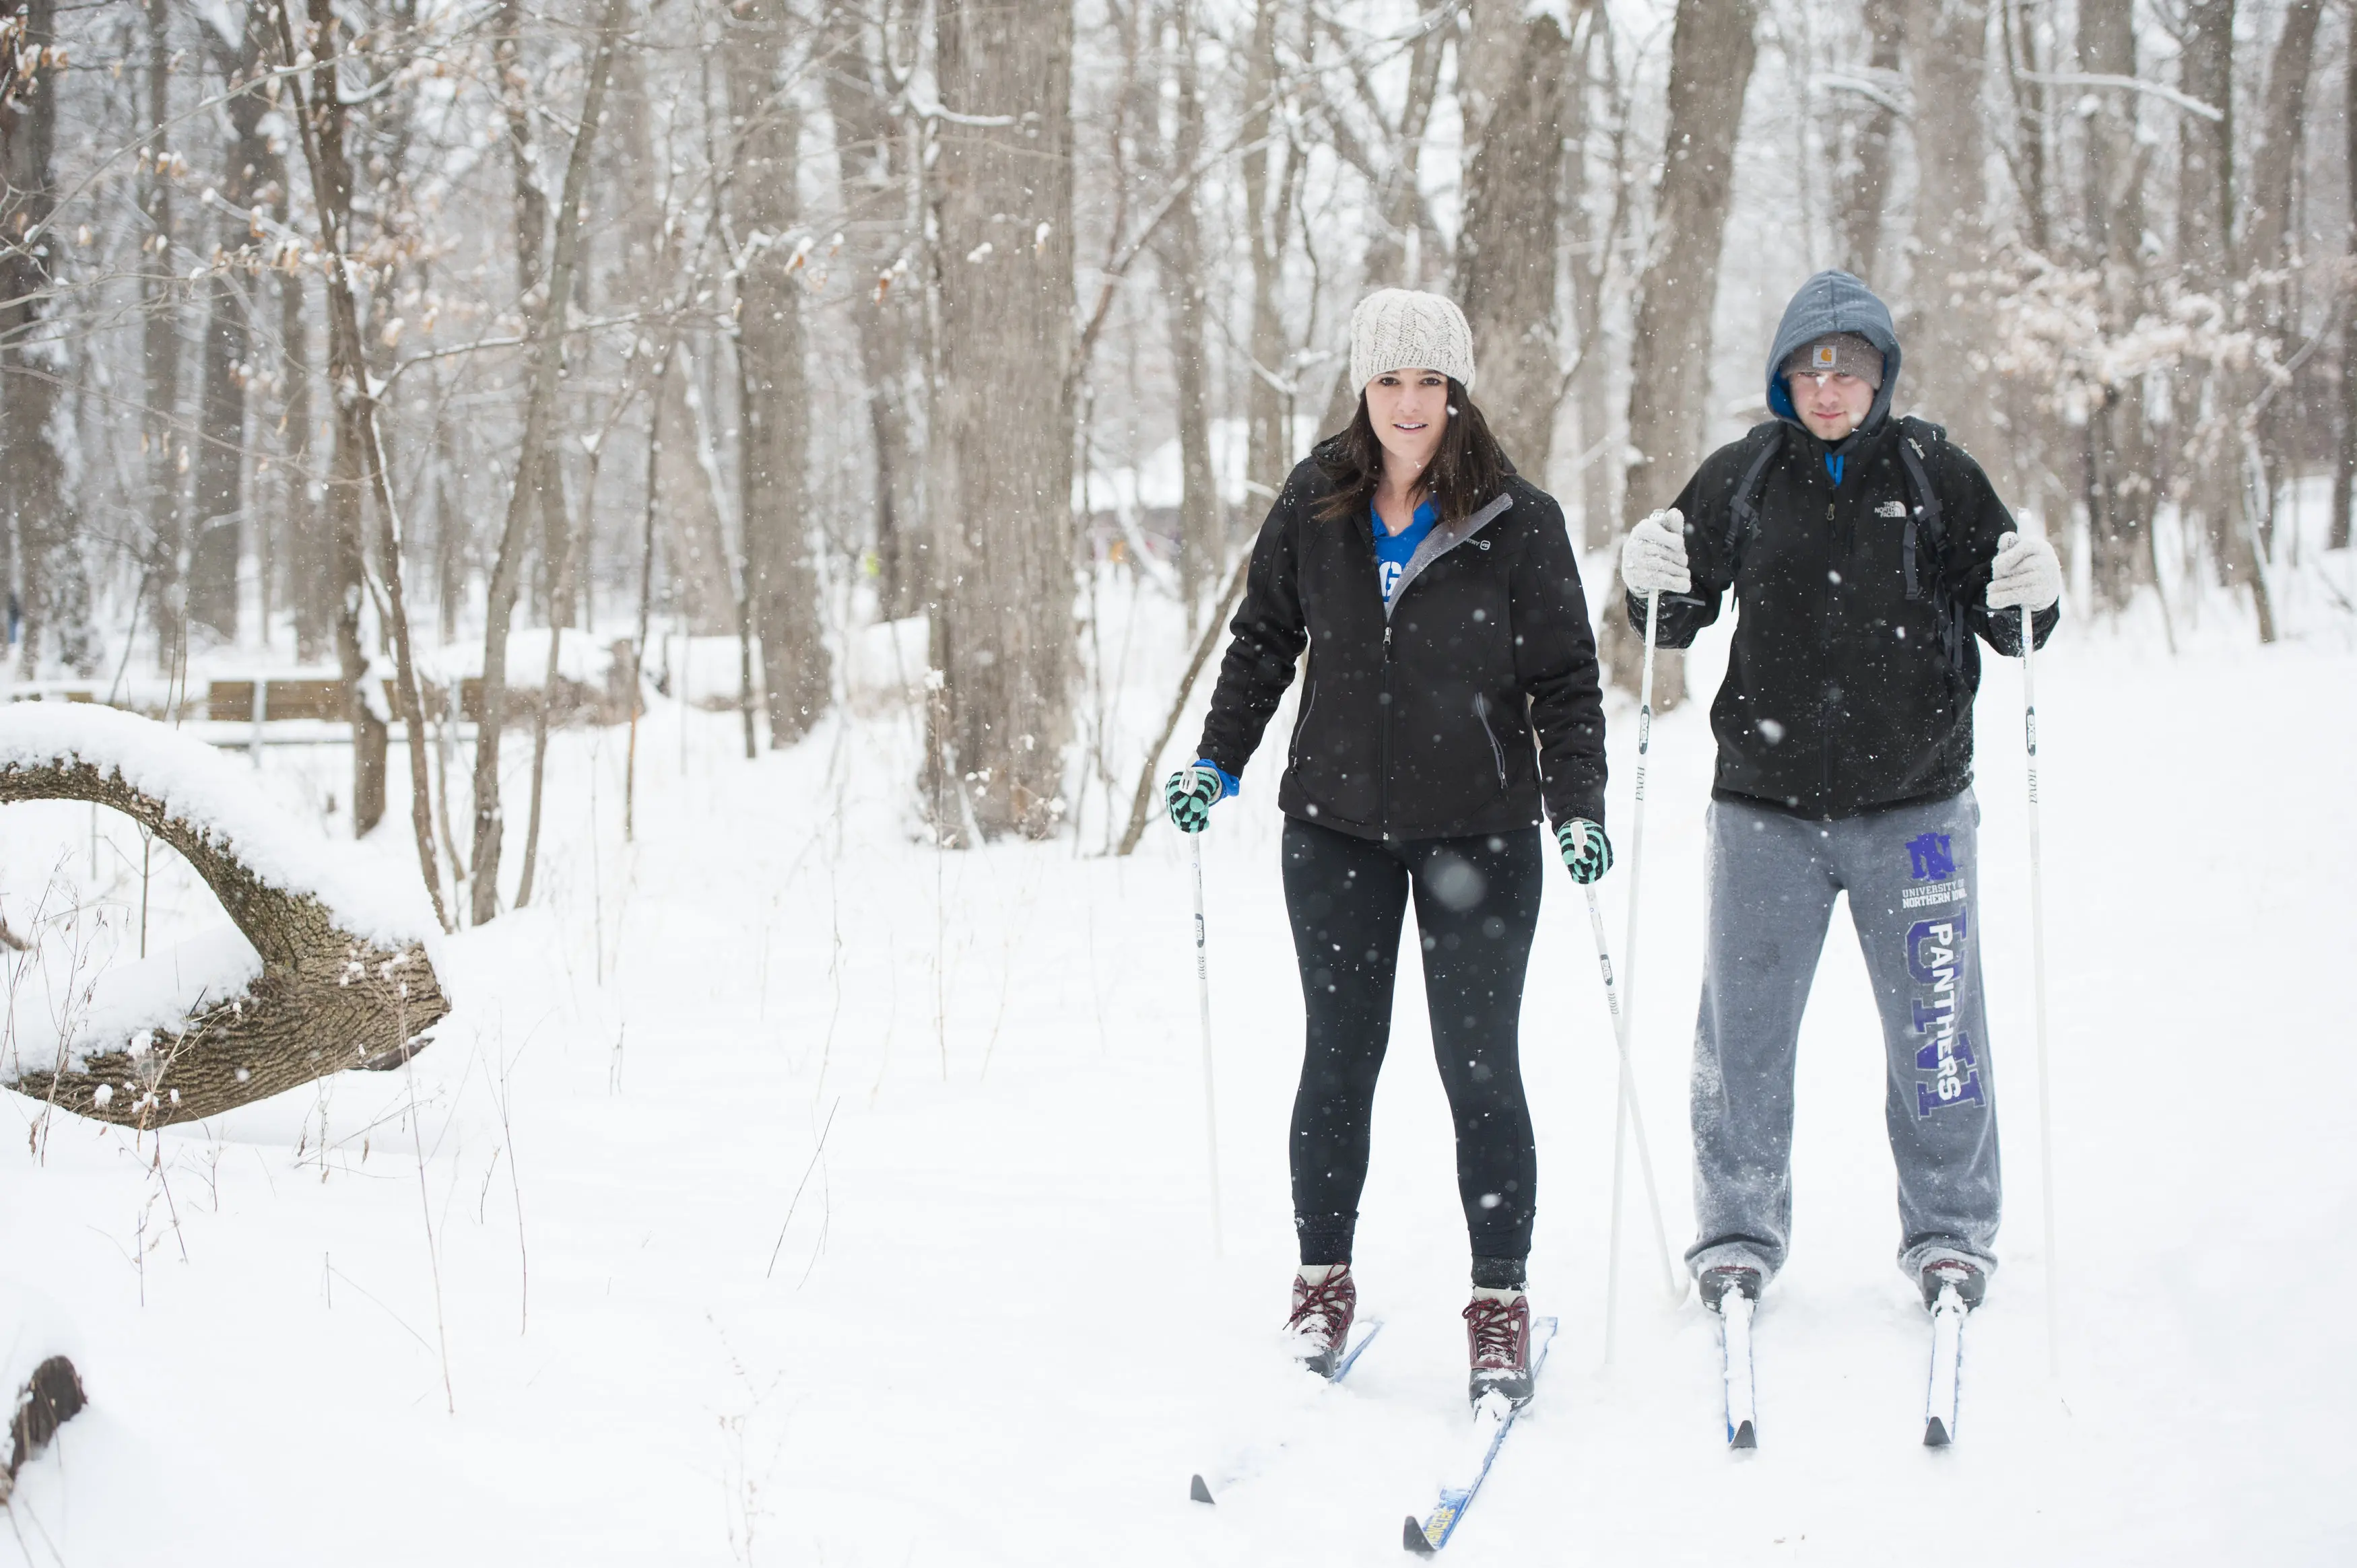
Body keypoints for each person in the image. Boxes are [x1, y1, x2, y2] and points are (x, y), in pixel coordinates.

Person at [1164, 289, 1610, 1407]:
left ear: (1459, 392)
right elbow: (1264, 642)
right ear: (1363, 388)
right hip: (1336, 830)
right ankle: (1322, 1282)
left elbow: (1565, 681)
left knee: (1479, 1067)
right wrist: (1215, 762)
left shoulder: (1520, 518)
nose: (1411, 404)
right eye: (1391, 381)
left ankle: (1498, 1302)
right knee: (1340, 1055)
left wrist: (1580, 806)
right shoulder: (1315, 503)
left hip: (1485, 834)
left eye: (1432, 383)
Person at [1616, 269, 2062, 1321]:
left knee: (1939, 1035)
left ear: (1880, 378)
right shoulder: (1745, 474)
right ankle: (1736, 1234)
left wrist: (2036, 591)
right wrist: (1643, 577)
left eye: (1848, 371)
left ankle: (1951, 1231)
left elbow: (2012, 623)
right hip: (1764, 812)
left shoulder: (1935, 471)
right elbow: (1669, 621)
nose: (1828, 389)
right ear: (1785, 380)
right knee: (1746, 1039)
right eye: (1809, 371)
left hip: (1917, 809)